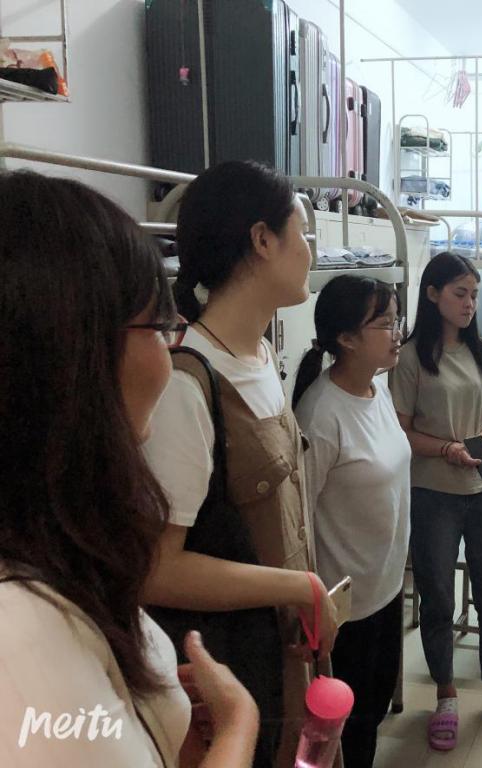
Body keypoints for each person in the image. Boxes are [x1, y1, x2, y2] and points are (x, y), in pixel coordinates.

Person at [0, 170, 258, 766]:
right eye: (159, 327)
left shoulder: (58, 543)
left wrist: (147, 707)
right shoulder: (22, 634)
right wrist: (238, 728)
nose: (170, 352)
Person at [141, 161, 339, 768]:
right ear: (262, 240)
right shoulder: (187, 384)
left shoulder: (260, 355)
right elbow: (158, 569)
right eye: (302, 232)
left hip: (287, 650)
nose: (310, 251)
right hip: (234, 669)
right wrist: (298, 587)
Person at [390, 252, 482, 750]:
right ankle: (446, 696)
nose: (470, 303)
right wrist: (448, 449)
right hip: (433, 490)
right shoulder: (411, 358)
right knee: (438, 597)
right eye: (460, 293)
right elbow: (402, 431)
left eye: (474, 294)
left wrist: (479, 442)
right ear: (432, 294)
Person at [292, 276, 409, 768]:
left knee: (373, 710)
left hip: (385, 585)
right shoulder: (321, 414)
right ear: (346, 338)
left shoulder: (377, 390)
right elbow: (298, 518)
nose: (397, 332)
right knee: (348, 726)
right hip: (345, 606)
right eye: (384, 323)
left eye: (396, 320)